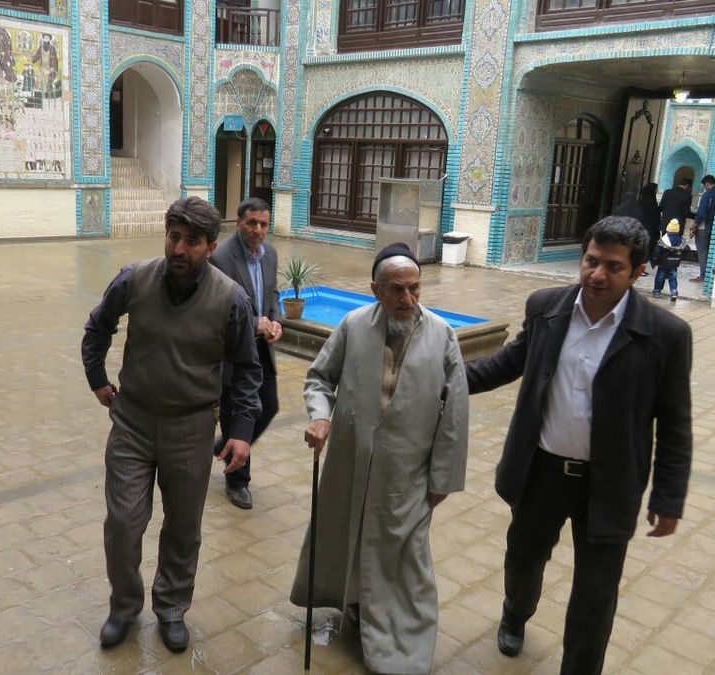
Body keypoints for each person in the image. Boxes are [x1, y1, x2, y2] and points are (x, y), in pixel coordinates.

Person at [465, 216, 692, 675]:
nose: (597, 274)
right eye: (591, 261)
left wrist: (668, 498)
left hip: (609, 484)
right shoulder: (547, 308)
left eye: (613, 266)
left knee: (595, 595)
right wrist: (439, 379)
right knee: (523, 562)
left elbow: (675, 424)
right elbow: (508, 363)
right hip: (541, 473)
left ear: (638, 272)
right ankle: (515, 614)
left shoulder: (665, 335)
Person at [81, 197, 263, 654]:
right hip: (133, 423)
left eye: (192, 241)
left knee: (183, 527)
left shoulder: (231, 299)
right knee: (123, 522)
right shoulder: (134, 279)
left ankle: (171, 608)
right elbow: (98, 326)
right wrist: (97, 377)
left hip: (192, 427)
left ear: (211, 246)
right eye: (174, 237)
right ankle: (124, 607)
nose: (179, 249)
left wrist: (241, 431)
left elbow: (246, 368)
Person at [291, 243, 469, 675]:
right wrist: (320, 416)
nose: (407, 299)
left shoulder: (443, 335)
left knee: (405, 558)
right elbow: (319, 378)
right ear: (375, 289)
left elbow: (456, 412)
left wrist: (443, 477)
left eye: (414, 288)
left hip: (406, 473)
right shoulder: (353, 325)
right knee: (350, 536)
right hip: (350, 462)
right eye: (396, 289)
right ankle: (354, 603)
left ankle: (402, 648)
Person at [209, 197, 282, 509]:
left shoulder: (270, 254)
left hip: (262, 349)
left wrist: (275, 320)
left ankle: (227, 443)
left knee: (270, 406)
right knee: (238, 412)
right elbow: (215, 309)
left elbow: (272, 293)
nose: (258, 230)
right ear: (239, 223)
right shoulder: (221, 258)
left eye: (263, 224)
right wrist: (254, 323)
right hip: (233, 353)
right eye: (251, 223)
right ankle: (237, 482)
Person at [691, 175, 715, 282]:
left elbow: (701, 213)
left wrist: (694, 225)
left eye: (704, 186)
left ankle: (703, 275)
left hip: (704, 227)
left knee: (702, 251)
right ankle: (710, 275)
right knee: (711, 251)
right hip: (714, 227)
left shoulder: (707, 195)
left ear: (707, 184)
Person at [653, 219, 686, 302]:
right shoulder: (681, 240)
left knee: (660, 277)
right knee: (673, 278)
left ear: (668, 229)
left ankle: (657, 291)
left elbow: (657, 252)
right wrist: (681, 256)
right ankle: (674, 292)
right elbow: (687, 249)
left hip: (663, 263)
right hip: (674, 263)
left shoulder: (663, 240)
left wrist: (655, 259)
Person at [637, 183, 661, 267]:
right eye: (655, 190)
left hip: (642, 226)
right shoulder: (652, 202)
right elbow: (655, 215)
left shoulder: (642, 200)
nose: (656, 191)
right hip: (650, 227)